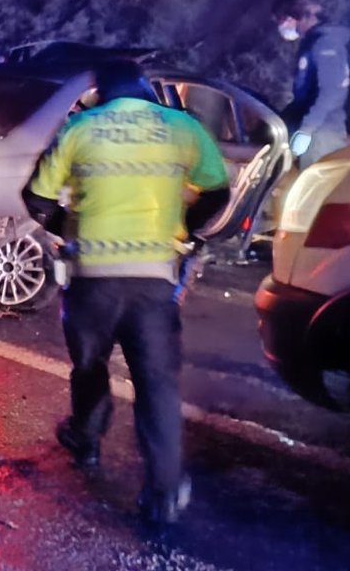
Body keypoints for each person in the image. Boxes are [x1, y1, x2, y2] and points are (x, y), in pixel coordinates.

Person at [21, 60, 231, 526]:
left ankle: (87, 439)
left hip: (92, 279)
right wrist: (188, 232)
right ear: (145, 91)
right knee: (156, 385)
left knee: (90, 365)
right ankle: (164, 489)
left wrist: (67, 230)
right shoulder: (182, 127)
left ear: (102, 92)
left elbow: (37, 198)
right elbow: (218, 191)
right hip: (153, 282)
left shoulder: (80, 126)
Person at [272, 0, 350, 168]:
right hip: (316, 130)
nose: (283, 27)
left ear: (293, 18)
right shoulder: (314, 43)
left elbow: (331, 92)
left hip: (321, 134)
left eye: (282, 21)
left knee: (315, 189)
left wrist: (307, 129)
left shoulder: (325, 45)